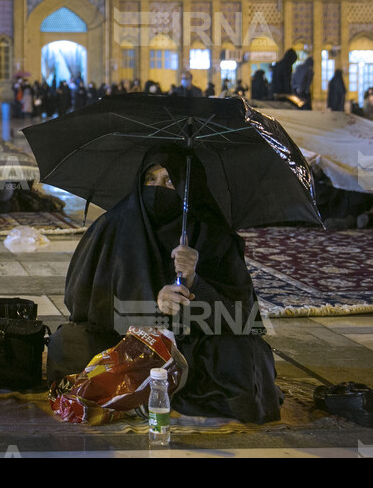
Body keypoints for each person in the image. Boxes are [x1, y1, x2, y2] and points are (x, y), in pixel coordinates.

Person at [46, 149, 283, 424]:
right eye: (150, 179)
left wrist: (195, 285)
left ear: (188, 189)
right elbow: (83, 306)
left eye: (170, 181)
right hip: (124, 345)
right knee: (68, 342)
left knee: (245, 355)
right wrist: (152, 305)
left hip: (192, 346)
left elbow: (244, 319)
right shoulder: (113, 225)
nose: (158, 188)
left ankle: (146, 393)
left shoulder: (213, 233)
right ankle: (147, 390)